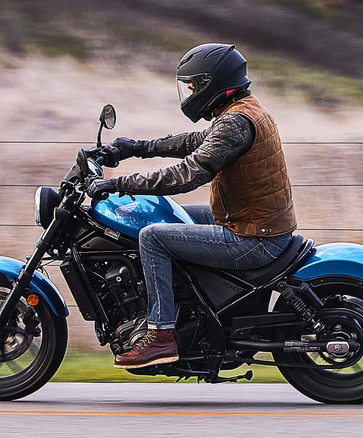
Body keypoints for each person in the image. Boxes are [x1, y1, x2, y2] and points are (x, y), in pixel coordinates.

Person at [86, 43, 297, 369]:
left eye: (193, 87)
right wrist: (134, 148)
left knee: (152, 236)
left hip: (254, 237)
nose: (189, 94)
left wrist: (119, 183)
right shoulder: (242, 111)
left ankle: (161, 335)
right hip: (251, 220)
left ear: (212, 83)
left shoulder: (235, 123)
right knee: (170, 213)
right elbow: (192, 142)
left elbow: (189, 173)